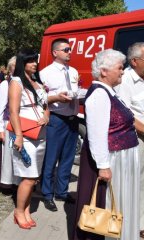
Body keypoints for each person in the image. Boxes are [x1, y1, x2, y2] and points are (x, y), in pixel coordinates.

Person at [73, 49, 140, 240]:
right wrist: (103, 166)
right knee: (108, 203)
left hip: (121, 156)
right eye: (120, 68)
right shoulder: (99, 95)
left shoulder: (109, 92)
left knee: (118, 202)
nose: (122, 71)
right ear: (104, 71)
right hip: (113, 158)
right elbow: (96, 134)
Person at [9, 49, 49, 229]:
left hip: (40, 134)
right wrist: (18, 135)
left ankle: (26, 210)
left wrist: (46, 115)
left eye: (35, 61)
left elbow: (46, 104)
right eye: (30, 61)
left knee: (34, 177)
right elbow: (13, 112)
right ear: (22, 63)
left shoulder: (37, 81)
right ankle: (19, 211)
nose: (35, 64)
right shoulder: (16, 82)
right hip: (25, 135)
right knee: (29, 177)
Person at [39, 38, 79, 211]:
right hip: (56, 119)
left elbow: (75, 90)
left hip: (72, 119)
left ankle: (61, 191)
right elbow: (39, 99)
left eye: (70, 49)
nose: (70, 52)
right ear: (55, 52)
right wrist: (56, 97)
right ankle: (47, 194)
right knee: (51, 158)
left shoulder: (73, 71)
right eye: (66, 49)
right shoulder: (45, 73)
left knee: (68, 158)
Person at [115, 42, 144, 239]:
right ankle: (133, 225)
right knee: (135, 182)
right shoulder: (124, 81)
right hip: (136, 140)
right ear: (134, 62)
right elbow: (126, 115)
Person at [0, 56, 19, 189]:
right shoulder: (5, 84)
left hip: (22, 123)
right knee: (9, 153)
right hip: (8, 123)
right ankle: (9, 181)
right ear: (10, 69)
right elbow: (1, 107)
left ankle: (19, 180)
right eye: (15, 65)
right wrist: (0, 129)